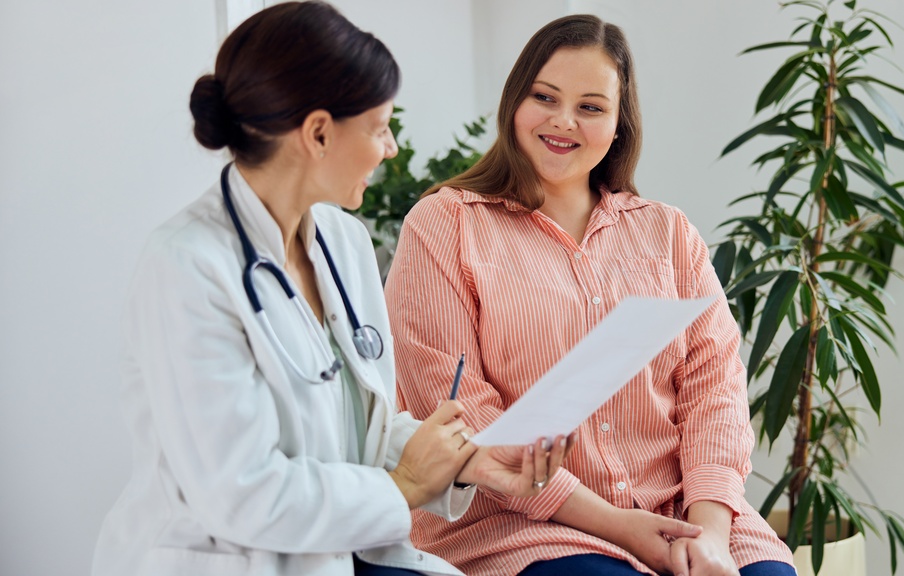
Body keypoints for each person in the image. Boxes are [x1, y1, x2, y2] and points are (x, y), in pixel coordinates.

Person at [91, 3, 571, 576]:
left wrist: (471, 461)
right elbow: (243, 493)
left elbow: (353, 428)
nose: (390, 148)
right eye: (379, 127)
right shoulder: (187, 267)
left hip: (339, 551)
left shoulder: (341, 242)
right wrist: (405, 486)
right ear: (318, 133)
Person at [384, 14, 796, 576]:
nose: (563, 121)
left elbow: (714, 394)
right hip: (519, 523)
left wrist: (711, 536)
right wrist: (619, 526)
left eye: (591, 107)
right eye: (544, 97)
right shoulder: (444, 224)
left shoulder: (668, 233)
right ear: (514, 102)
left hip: (680, 505)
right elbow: (459, 411)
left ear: (620, 122)